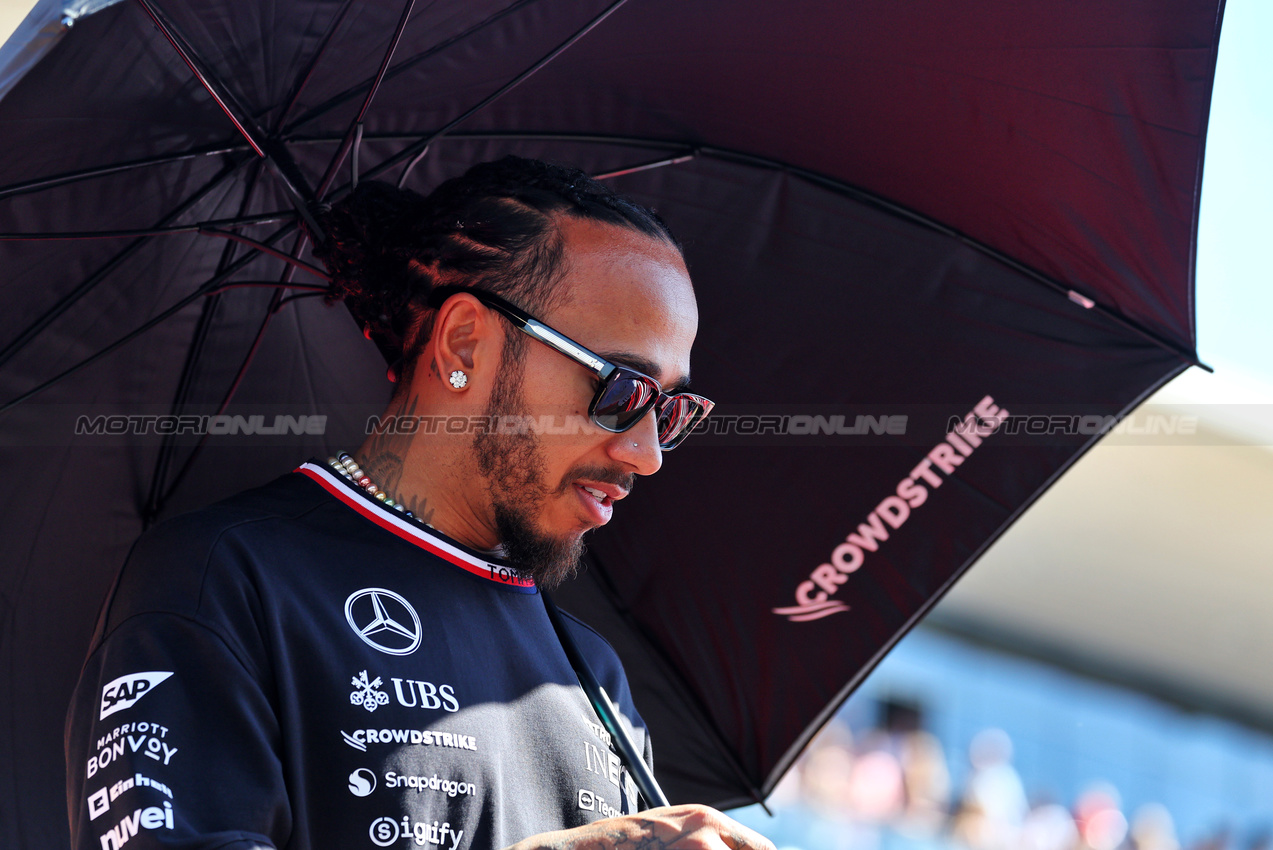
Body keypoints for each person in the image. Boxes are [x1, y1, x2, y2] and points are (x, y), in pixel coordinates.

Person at [64, 156, 773, 850]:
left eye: (673, 409)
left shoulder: (595, 675)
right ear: (465, 340)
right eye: (621, 391)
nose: (646, 454)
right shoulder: (223, 578)